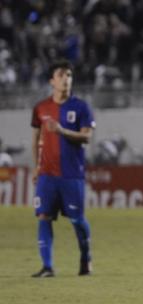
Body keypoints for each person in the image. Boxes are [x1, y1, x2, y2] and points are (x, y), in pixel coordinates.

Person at [30, 60, 96, 277]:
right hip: (47, 174)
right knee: (43, 216)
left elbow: (87, 136)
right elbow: (35, 139)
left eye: (68, 75)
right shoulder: (40, 108)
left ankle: (85, 257)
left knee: (77, 220)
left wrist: (61, 131)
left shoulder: (81, 107)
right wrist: (36, 167)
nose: (66, 79)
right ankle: (47, 266)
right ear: (52, 81)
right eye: (61, 75)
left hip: (72, 174)